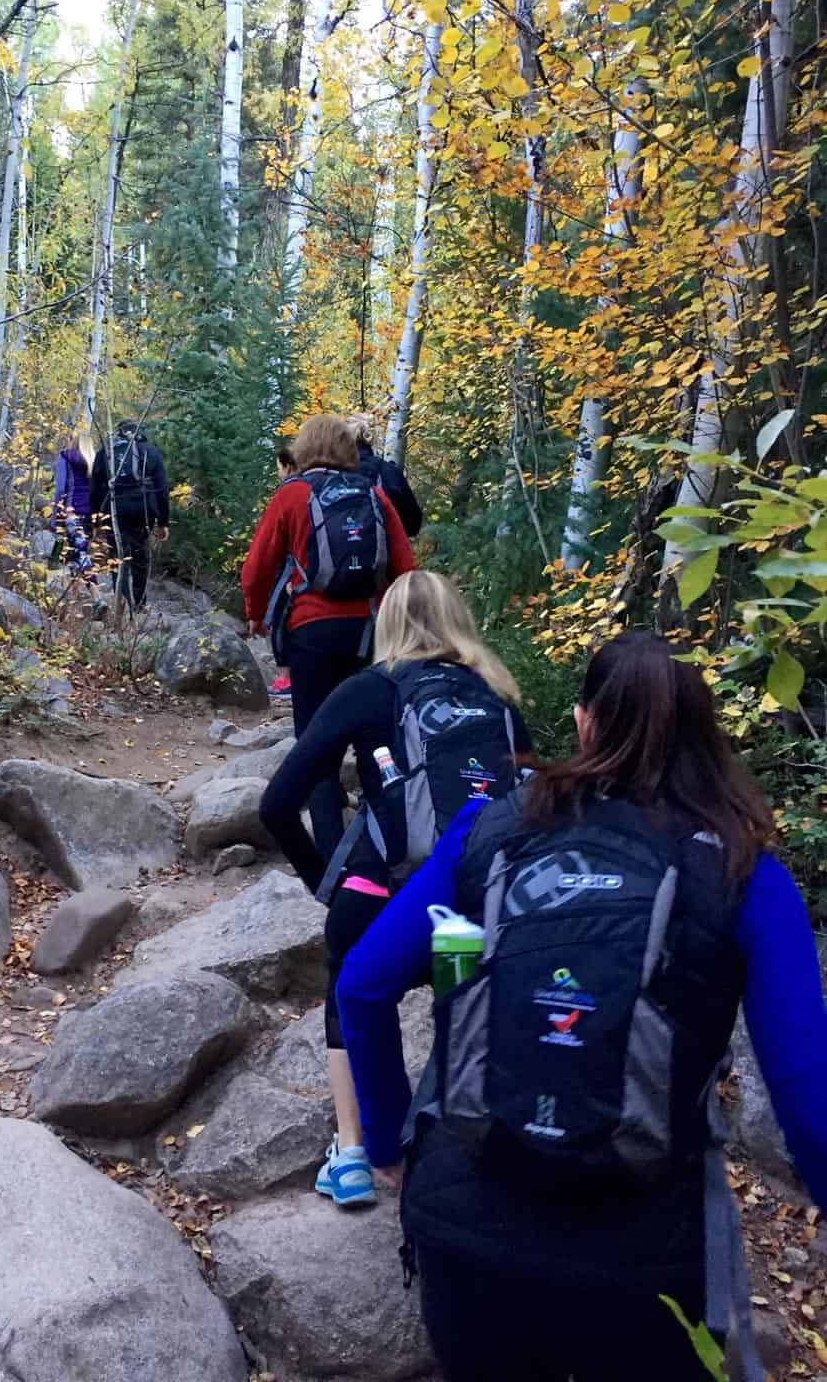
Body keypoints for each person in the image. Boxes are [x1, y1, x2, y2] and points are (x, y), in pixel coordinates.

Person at [337, 632, 827, 1382]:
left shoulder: (492, 829)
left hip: (466, 1226)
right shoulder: (742, 871)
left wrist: (383, 1146)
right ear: (705, 737)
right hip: (644, 1262)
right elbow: (811, 1108)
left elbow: (363, 985)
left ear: (583, 722)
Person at [260, 572, 530, 1209]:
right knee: (456, 1002)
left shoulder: (370, 689)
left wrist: (320, 882)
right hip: (470, 901)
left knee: (347, 989)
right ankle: (450, 1142)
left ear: (386, 623)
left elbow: (278, 803)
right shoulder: (500, 697)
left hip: (381, 895)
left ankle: (353, 1154)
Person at [242, 413, 414, 858]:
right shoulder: (374, 493)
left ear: (303, 448)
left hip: (311, 632)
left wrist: (255, 615)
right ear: (348, 449)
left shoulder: (292, 494)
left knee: (316, 744)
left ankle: (334, 860)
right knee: (375, 742)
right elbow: (406, 569)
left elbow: (258, 567)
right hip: (368, 633)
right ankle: (389, 851)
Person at [89, 420, 170, 612]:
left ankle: (122, 604)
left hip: (115, 507)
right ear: (138, 433)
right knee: (140, 555)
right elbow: (162, 489)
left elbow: (95, 489)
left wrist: (95, 519)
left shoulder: (106, 452)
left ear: (118, 433)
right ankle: (140, 604)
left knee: (118, 557)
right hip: (143, 509)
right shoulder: (150, 451)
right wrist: (163, 522)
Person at [347, 414, 422, 538]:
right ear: (371, 439)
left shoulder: (331, 474)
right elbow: (413, 524)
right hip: (384, 551)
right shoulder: (390, 472)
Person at [268, 444, 299, 701]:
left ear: (288, 466)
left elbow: (269, 545)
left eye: (279, 468)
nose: (278, 473)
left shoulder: (289, 493)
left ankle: (285, 680)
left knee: (280, 621)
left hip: (291, 570)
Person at [53, 432, 95, 575]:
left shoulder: (66, 457)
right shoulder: (94, 462)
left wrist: (55, 516)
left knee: (79, 555)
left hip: (71, 511)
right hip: (90, 514)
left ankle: (97, 596)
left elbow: (60, 489)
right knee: (75, 553)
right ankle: (74, 594)